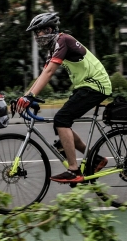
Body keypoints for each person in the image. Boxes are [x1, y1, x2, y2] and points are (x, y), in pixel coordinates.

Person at [16, 12, 112, 183]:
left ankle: (74, 170)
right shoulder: (54, 47)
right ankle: (95, 159)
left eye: (39, 31)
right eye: (35, 33)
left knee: (62, 119)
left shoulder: (63, 40)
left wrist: (29, 96)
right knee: (60, 122)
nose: (37, 36)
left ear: (49, 29)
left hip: (96, 85)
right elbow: (43, 74)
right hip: (85, 86)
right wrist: (25, 97)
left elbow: (50, 72)